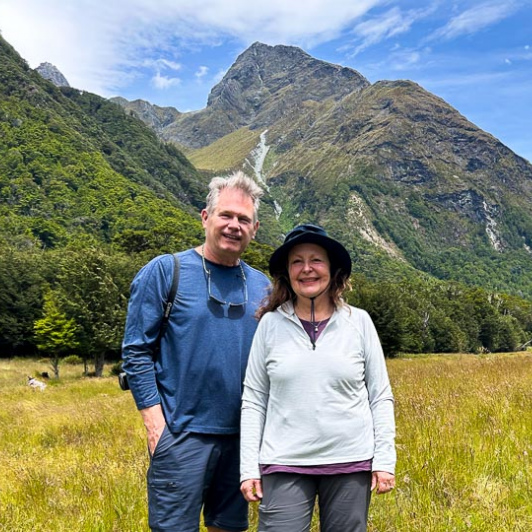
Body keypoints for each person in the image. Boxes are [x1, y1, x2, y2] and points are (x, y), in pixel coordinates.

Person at [122, 171, 271, 532]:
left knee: (229, 527)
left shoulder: (263, 285)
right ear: (206, 217)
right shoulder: (165, 271)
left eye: (243, 219)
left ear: (255, 228)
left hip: (242, 440)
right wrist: (155, 425)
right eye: (226, 215)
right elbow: (136, 352)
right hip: (180, 435)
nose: (234, 225)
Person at [240, 224, 396, 532]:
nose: (307, 269)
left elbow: (380, 395)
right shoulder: (270, 325)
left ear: (333, 269)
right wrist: (248, 467)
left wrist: (384, 460)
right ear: (287, 272)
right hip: (284, 461)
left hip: (350, 460)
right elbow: (254, 399)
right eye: (297, 261)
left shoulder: (359, 322)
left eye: (316, 260)